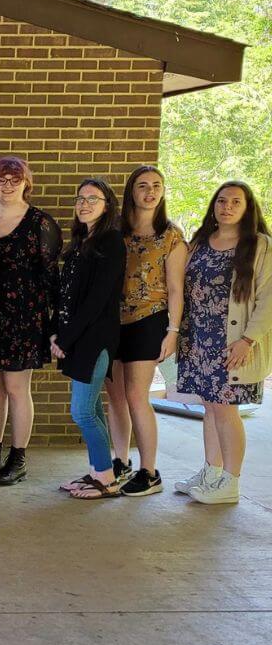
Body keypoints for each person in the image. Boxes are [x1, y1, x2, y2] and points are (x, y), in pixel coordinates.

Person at [175, 181, 272, 504]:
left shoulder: (259, 245)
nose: (227, 207)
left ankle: (230, 482)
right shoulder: (201, 242)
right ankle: (211, 473)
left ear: (248, 208)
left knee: (225, 410)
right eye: (221, 201)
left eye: (235, 202)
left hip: (232, 344)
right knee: (210, 407)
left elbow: (268, 300)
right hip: (199, 340)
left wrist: (248, 340)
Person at [0, 157, 62, 485]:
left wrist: (54, 325)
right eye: (1, 180)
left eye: (14, 180)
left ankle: (18, 458)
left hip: (25, 317)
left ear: (26, 184)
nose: (7, 186)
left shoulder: (41, 223)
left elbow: (51, 278)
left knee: (17, 388)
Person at [104, 166, 186, 497]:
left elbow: (176, 289)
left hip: (149, 320)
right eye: (142, 186)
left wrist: (173, 331)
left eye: (156, 185)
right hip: (111, 321)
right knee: (115, 397)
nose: (150, 191)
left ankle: (149, 471)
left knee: (137, 396)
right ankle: (120, 462)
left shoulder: (171, 236)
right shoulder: (114, 230)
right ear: (131, 191)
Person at [52, 178, 126, 499]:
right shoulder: (82, 241)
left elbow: (97, 300)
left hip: (94, 339)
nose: (84, 204)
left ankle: (107, 480)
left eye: (92, 198)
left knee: (81, 412)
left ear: (107, 205)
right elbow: (67, 295)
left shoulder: (111, 241)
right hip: (77, 338)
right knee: (92, 409)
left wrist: (65, 339)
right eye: (80, 198)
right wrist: (56, 331)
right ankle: (98, 471)